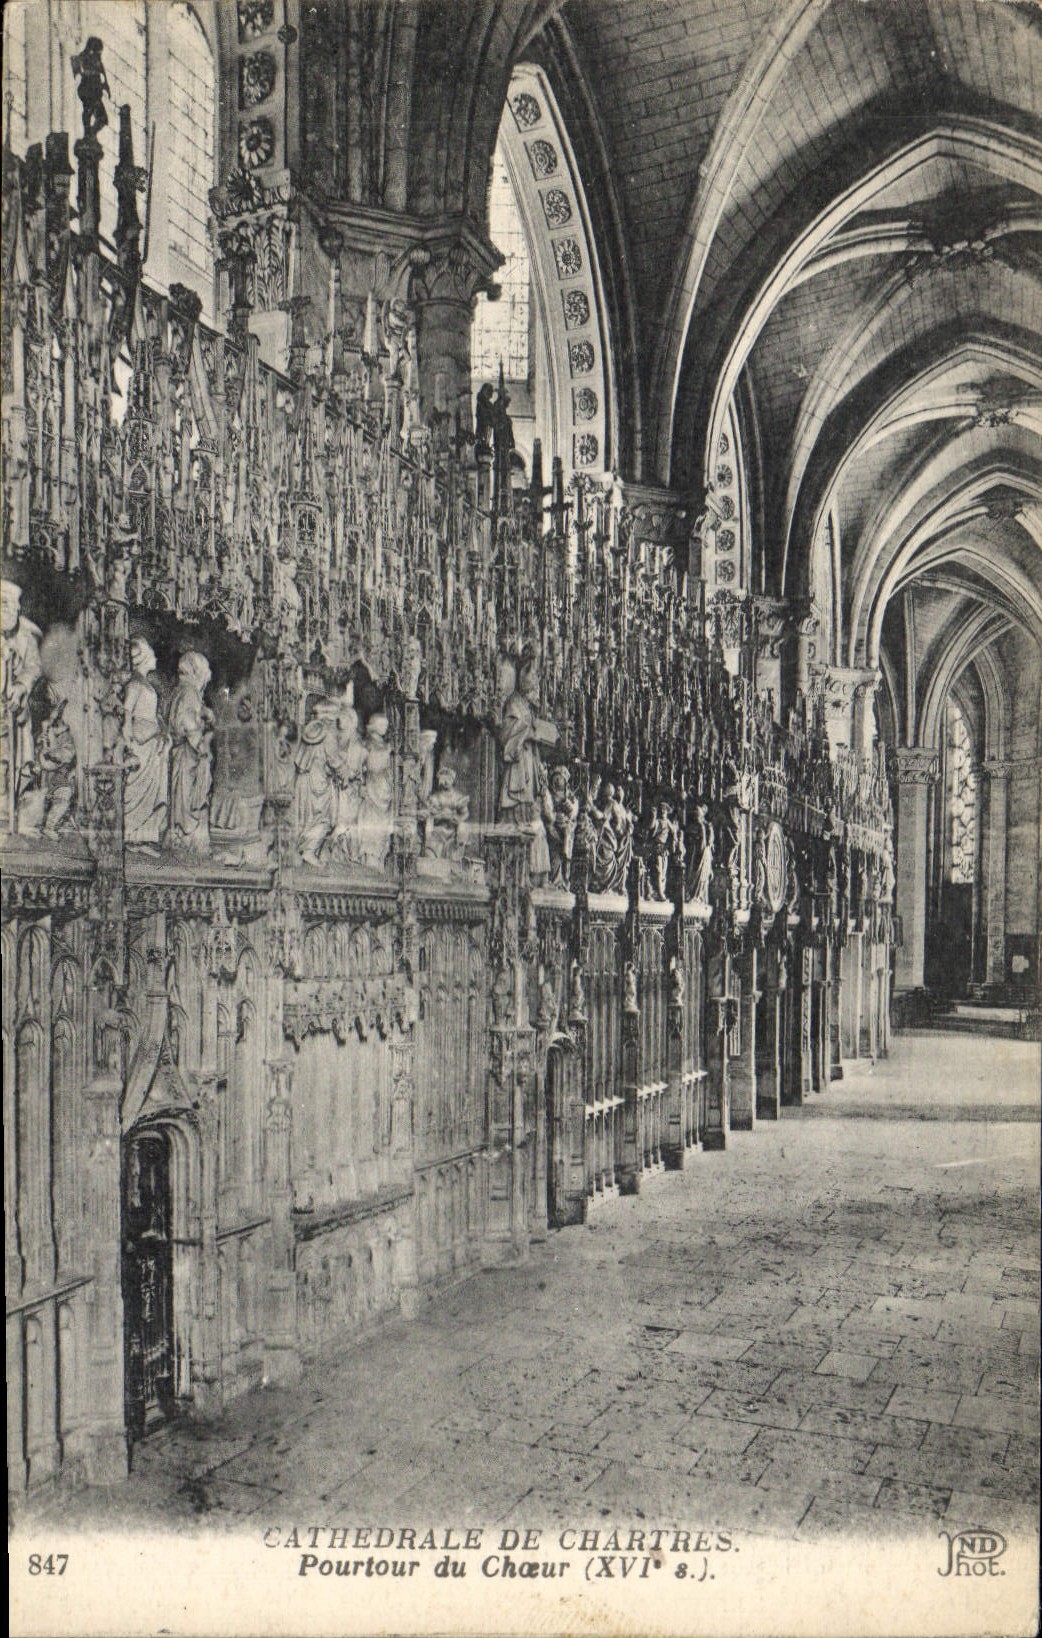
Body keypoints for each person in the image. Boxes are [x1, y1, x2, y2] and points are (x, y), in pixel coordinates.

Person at [122, 637, 169, 845]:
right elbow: (126, 714)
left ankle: (141, 838)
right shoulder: (135, 684)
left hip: (150, 745)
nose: (156, 657)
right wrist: (127, 742)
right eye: (152, 654)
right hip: (139, 745)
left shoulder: (144, 683)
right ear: (143, 658)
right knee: (135, 791)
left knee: (150, 792)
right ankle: (130, 836)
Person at [167, 652, 214, 853]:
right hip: (188, 754)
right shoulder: (189, 692)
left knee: (183, 796)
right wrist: (201, 747)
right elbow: (188, 724)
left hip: (182, 753)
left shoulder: (180, 691)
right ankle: (188, 839)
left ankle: (183, 837)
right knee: (189, 799)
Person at [293, 699, 340, 866]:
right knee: (325, 818)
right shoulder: (329, 733)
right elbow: (334, 760)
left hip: (303, 781)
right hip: (319, 783)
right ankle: (310, 851)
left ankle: (303, 849)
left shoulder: (310, 730)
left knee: (304, 817)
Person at [358, 713, 395, 870]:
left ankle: (379, 858)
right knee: (370, 821)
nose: (384, 728)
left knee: (383, 826)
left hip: (384, 787)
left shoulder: (387, 745)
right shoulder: (366, 744)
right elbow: (361, 766)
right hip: (372, 786)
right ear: (373, 725)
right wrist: (362, 783)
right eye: (381, 725)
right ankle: (369, 859)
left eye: (386, 725)